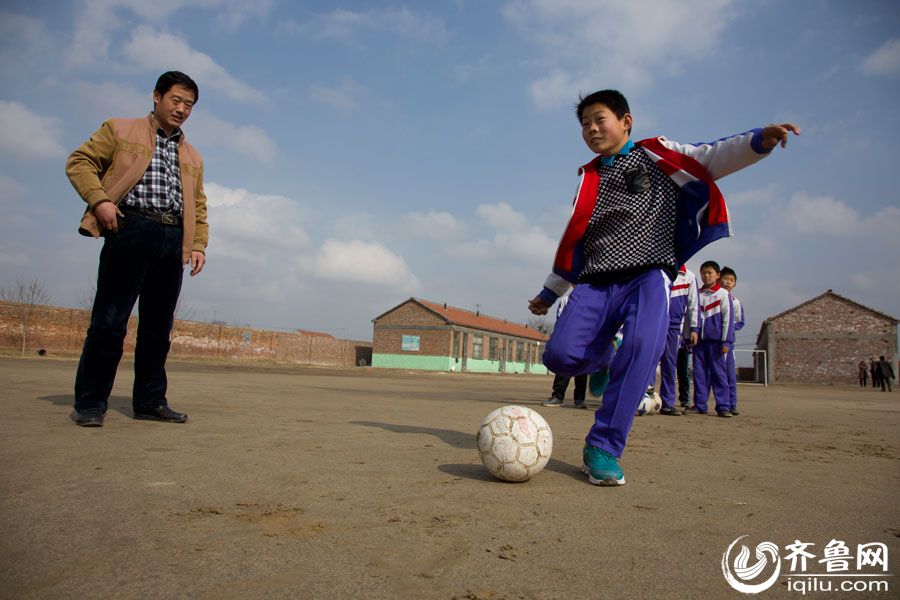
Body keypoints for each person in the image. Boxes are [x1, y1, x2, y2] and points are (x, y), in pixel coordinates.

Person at [527, 89, 799, 485]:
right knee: (561, 357)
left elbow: (712, 155)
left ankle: (603, 447)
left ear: (626, 121)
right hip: (596, 279)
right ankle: (603, 358)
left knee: (642, 350)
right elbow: (574, 239)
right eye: (584, 124)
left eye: (598, 119)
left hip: (648, 275)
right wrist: (551, 291)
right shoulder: (588, 178)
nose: (590, 129)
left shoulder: (658, 155)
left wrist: (759, 140)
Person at [66, 71, 209, 427]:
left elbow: (198, 203)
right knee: (110, 321)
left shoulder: (192, 154)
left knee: (158, 329)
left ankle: (149, 401)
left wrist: (198, 244)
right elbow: (79, 162)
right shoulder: (119, 129)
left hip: (172, 238)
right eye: (176, 100)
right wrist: (99, 200)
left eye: (189, 105)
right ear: (157, 96)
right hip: (130, 227)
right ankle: (91, 402)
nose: (181, 109)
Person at [686, 261, 734, 418]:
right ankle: (700, 405)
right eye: (703, 273)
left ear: (717, 275)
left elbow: (728, 319)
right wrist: (689, 335)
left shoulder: (723, 294)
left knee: (719, 375)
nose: (706, 276)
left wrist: (726, 341)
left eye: (709, 273)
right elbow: (691, 315)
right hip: (699, 342)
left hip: (716, 343)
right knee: (699, 375)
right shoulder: (697, 294)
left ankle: (723, 406)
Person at [658, 265, 699, 415]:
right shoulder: (658, 271)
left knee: (669, 364)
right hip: (654, 321)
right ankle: (643, 399)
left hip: (674, 326)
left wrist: (694, 328)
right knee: (648, 360)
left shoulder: (689, 276)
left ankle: (667, 403)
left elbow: (693, 305)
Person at [542, 294, 588, 408]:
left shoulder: (593, 300)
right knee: (563, 366)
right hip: (568, 336)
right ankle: (557, 396)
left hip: (586, 338)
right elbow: (560, 318)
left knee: (582, 369)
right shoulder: (566, 300)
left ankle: (579, 399)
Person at [719, 266, 744, 415]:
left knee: (729, 375)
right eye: (726, 279)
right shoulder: (712, 296)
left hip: (727, 343)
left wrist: (727, 329)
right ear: (719, 278)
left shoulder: (735, 302)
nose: (728, 282)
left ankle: (732, 404)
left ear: (734, 284)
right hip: (711, 341)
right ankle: (701, 404)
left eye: (731, 280)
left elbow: (740, 322)